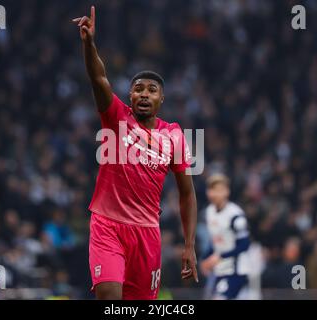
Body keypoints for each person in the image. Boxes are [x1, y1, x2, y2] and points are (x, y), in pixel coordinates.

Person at [72, 6, 198, 300]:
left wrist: (189, 245)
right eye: (138, 88)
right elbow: (99, 79)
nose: (144, 93)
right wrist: (89, 44)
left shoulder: (176, 135)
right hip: (107, 226)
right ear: (129, 96)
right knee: (109, 296)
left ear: (161, 98)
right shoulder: (116, 117)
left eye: (152, 90)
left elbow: (188, 193)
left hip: (146, 234)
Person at [200, 174, 251, 299]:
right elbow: (217, 241)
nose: (215, 194)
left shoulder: (235, 215)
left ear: (226, 192)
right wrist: (205, 259)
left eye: (219, 190)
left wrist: (220, 256)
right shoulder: (209, 212)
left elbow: (245, 244)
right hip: (220, 270)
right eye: (212, 190)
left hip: (237, 270)